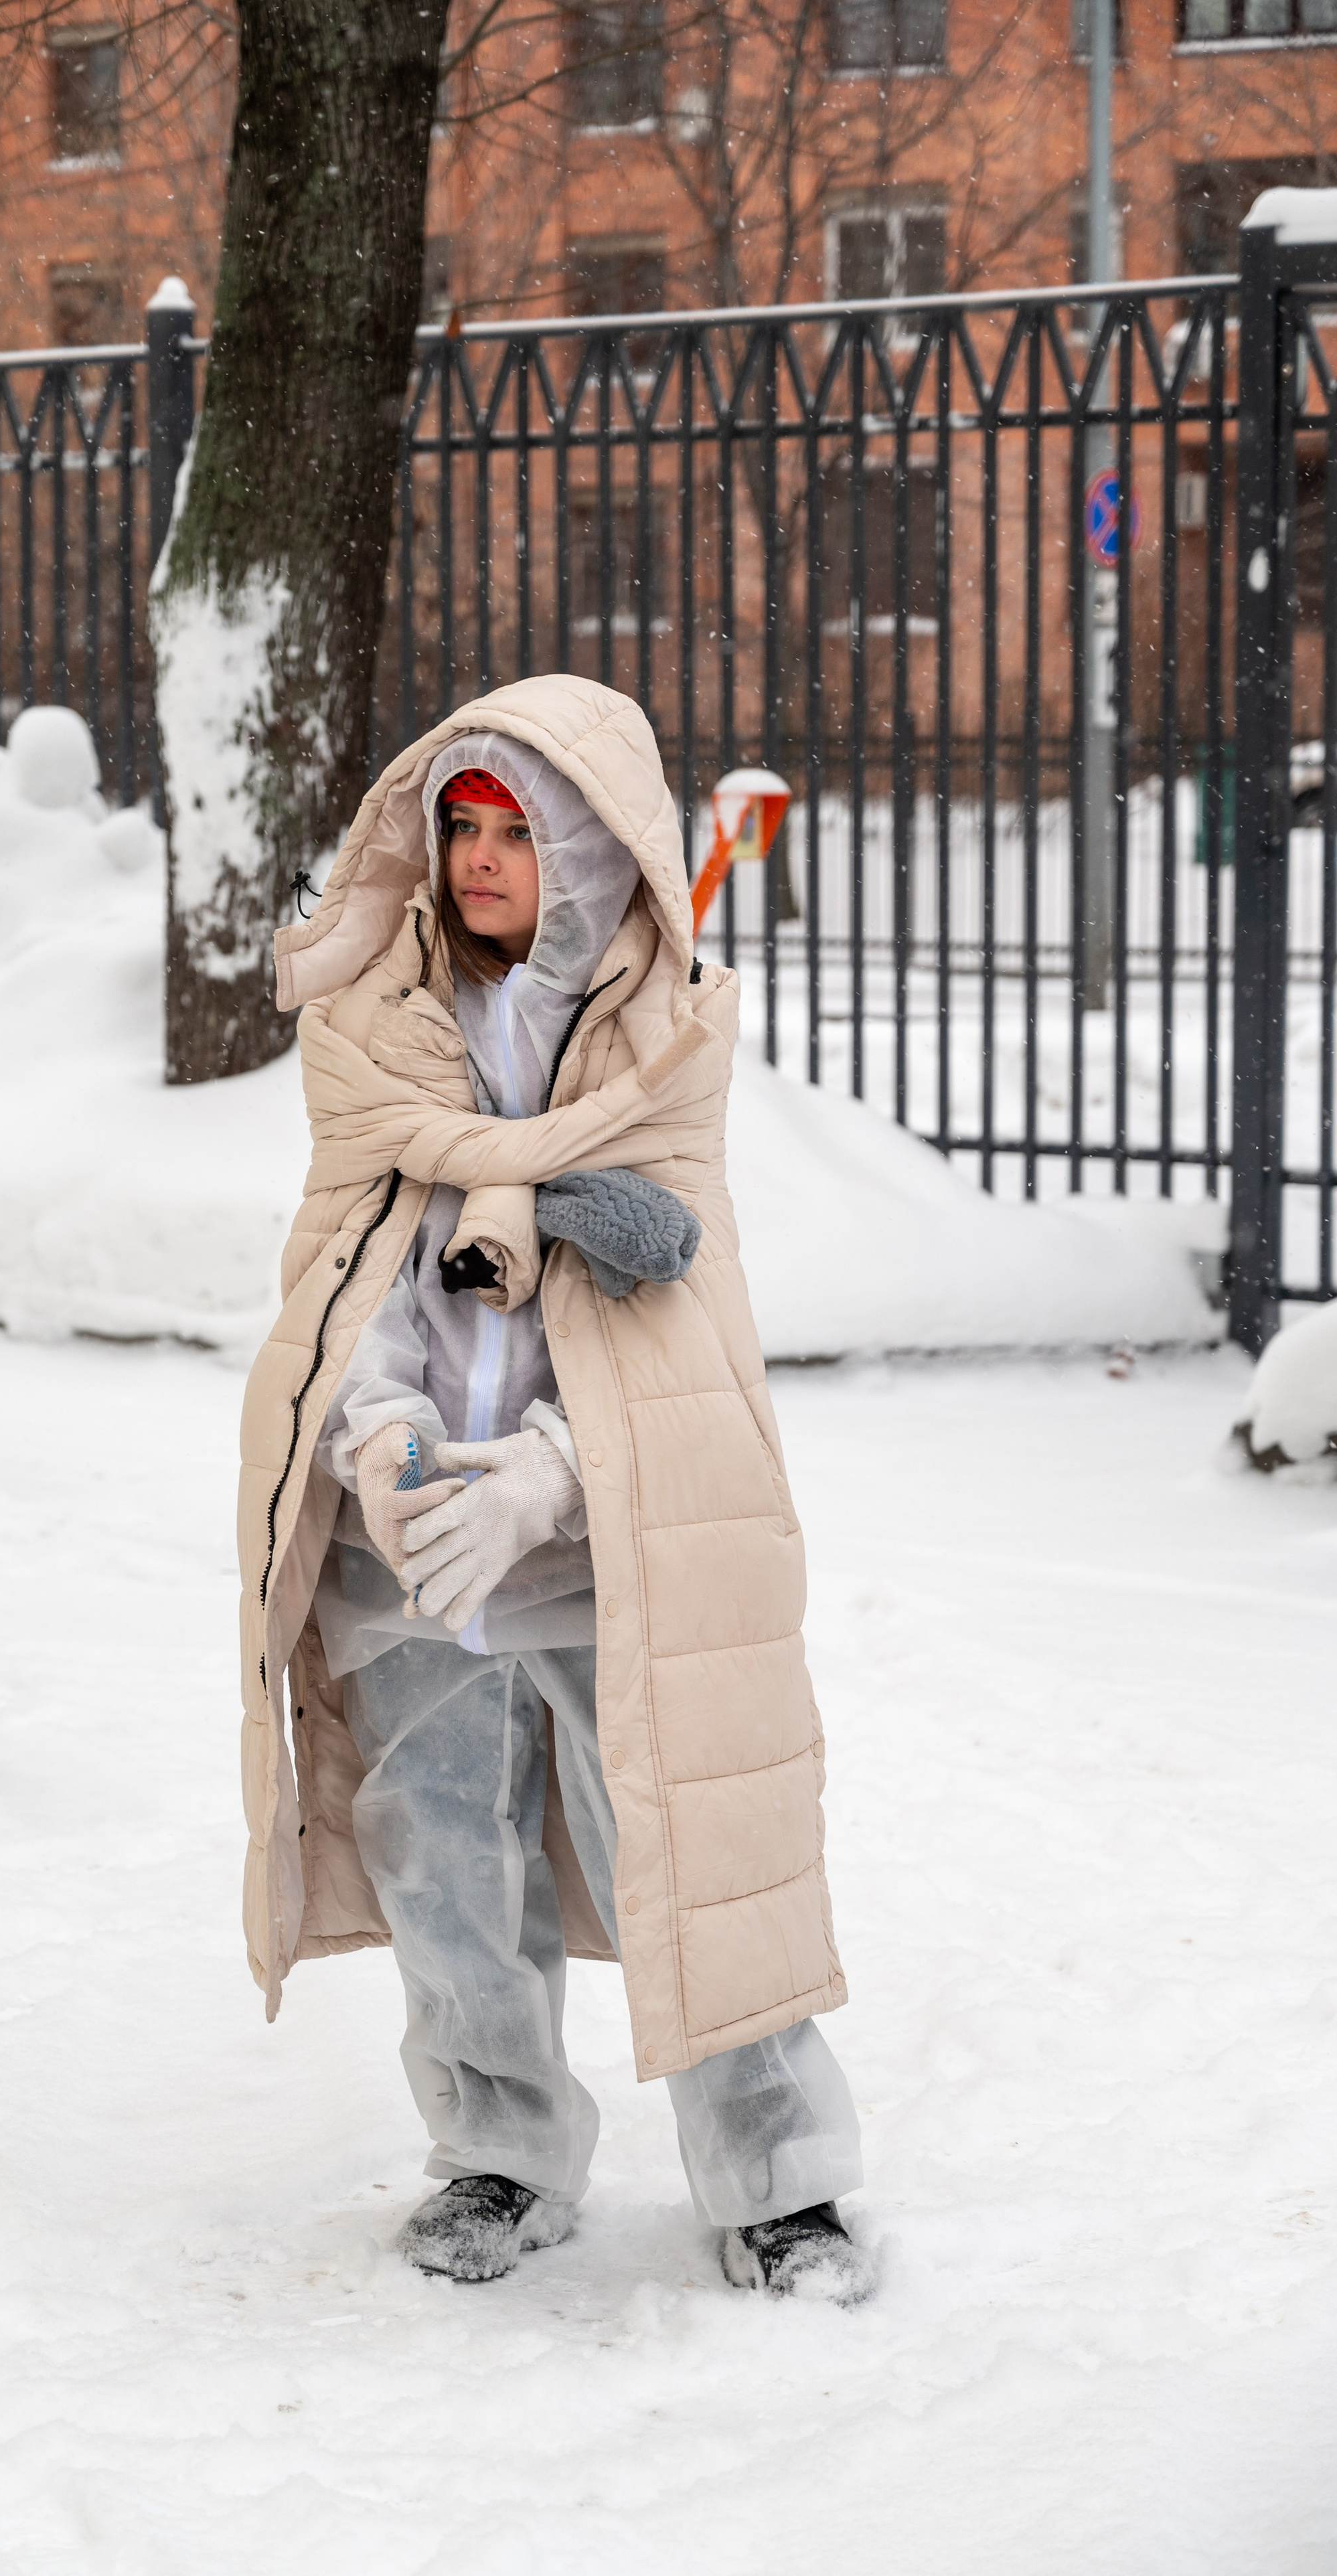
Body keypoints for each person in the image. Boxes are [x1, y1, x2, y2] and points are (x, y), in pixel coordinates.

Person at [236, 676, 869, 2300]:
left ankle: (779, 2183)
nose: (478, 858)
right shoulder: (380, 1035)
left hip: (600, 1531)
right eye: (459, 825)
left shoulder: (660, 1042)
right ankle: (498, 2152)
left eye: (515, 830)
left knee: (687, 1836)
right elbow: (341, 1281)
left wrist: (553, 1473)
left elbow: (682, 1324)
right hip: (415, 1539)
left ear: (586, 846)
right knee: (439, 1855)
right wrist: (378, 1440)